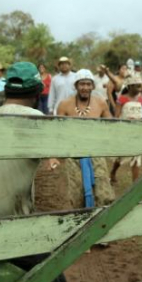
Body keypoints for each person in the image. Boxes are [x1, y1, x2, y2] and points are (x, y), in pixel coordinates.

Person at [0, 61, 66, 282]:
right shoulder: (35, 119)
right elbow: (81, 149)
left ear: (6, 90)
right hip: (10, 225)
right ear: (37, 91)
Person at [57, 69, 115, 209]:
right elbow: (58, 131)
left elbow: (111, 125)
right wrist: (55, 156)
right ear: (76, 86)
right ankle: (82, 226)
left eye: (88, 84)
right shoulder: (65, 104)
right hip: (74, 155)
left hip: (96, 153)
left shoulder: (100, 103)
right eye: (82, 84)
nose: (85, 88)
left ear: (93, 86)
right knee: (77, 196)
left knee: (104, 194)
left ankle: (101, 225)